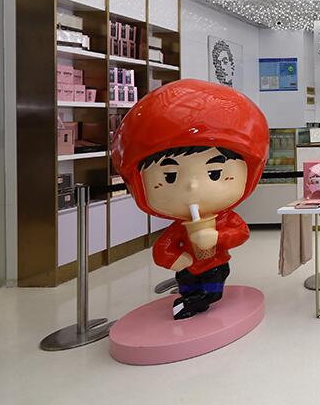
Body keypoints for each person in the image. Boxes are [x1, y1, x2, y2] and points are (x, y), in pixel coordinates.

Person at [111, 79, 268, 319]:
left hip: (215, 265)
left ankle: (195, 303)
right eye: (170, 176)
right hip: (187, 268)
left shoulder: (224, 220)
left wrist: (217, 237)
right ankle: (188, 302)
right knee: (187, 286)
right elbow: (163, 248)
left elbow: (240, 233)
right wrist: (174, 259)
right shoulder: (180, 228)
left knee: (211, 291)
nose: (193, 185)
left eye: (214, 173)